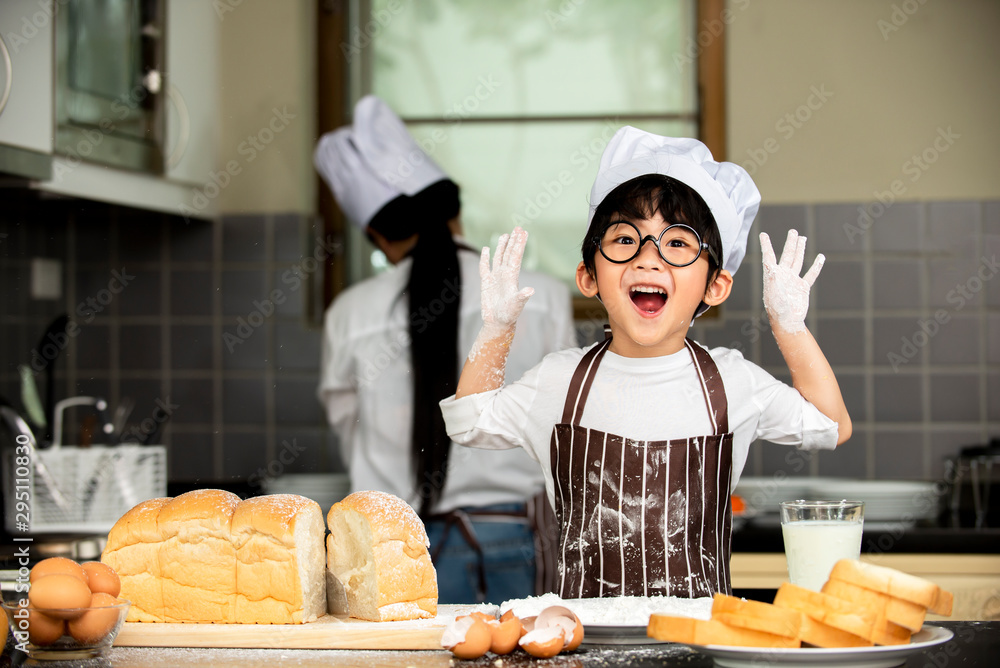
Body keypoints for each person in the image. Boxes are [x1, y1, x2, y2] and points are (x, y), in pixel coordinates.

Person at [440, 127, 852, 600]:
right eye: (623, 240)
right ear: (589, 276)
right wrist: (496, 330)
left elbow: (831, 424)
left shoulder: (734, 381)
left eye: (677, 243)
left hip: (701, 644)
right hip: (586, 641)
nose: (648, 259)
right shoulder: (557, 380)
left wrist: (789, 326)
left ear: (715, 287)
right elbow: (468, 423)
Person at [313, 95, 576, 604]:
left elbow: (350, 426)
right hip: (514, 536)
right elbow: (562, 423)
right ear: (454, 209)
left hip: (396, 546)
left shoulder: (351, 312)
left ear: (377, 234)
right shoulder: (539, 296)